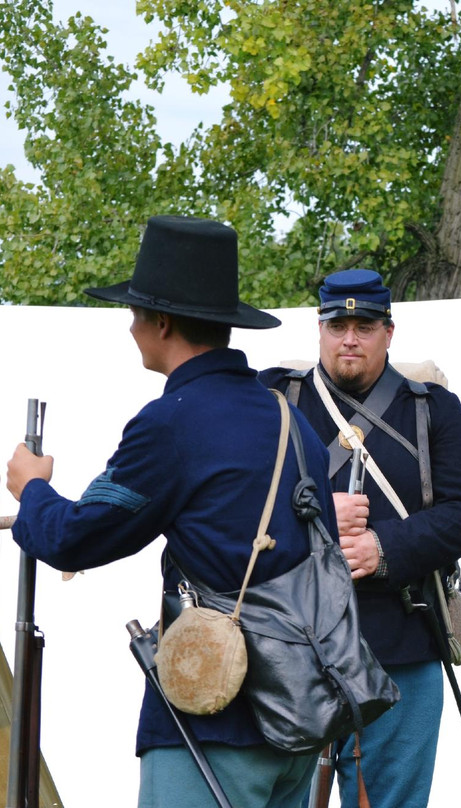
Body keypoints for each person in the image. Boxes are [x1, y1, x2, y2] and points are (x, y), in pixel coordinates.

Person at [4, 215, 339, 807]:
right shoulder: (291, 421)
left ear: (160, 321)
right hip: (298, 721)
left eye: (135, 312)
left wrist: (32, 489)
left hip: (213, 722)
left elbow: (76, 538)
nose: (130, 326)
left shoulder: (172, 422)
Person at [258, 268, 461, 808]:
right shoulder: (271, 399)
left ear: (389, 331)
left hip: (401, 640)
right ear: (319, 329)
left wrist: (384, 549)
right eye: (338, 324)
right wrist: (313, 515)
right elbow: (228, 501)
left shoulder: (432, 410)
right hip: (289, 645)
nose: (350, 338)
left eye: (364, 325)